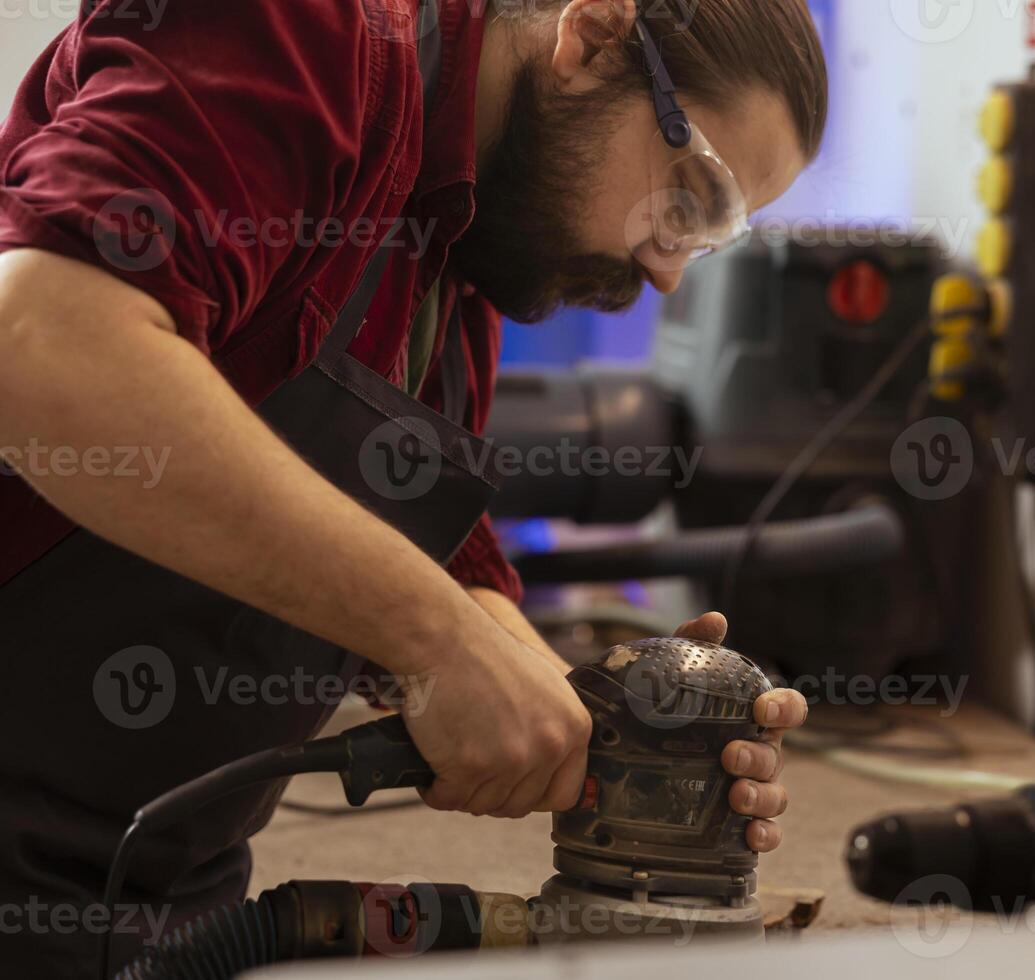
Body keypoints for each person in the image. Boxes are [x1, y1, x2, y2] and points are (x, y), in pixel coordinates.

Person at [0, 0, 828, 972]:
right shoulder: (302, 30)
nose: (668, 273)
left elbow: (429, 560)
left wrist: (613, 724)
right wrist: (436, 637)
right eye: (689, 200)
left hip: (150, 898)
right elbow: (44, 343)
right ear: (595, 33)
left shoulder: (460, 247)